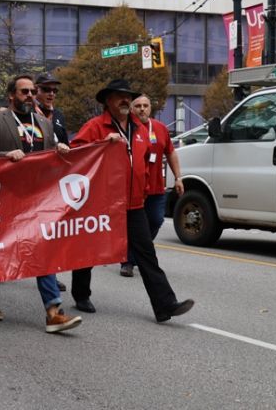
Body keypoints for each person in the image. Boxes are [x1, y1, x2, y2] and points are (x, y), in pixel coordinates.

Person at [69, 79, 194, 323]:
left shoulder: (139, 129)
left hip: (134, 204)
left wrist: (146, 187)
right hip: (103, 204)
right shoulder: (96, 126)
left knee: (147, 254)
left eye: (128, 96)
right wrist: (103, 144)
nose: (125, 100)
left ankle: (165, 305)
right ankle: (81, 294)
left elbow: (146, 161)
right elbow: (75, 154)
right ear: (107, 101)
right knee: (91, 250)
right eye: (119, 96)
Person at [0, 75, 82, 334]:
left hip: (36, 201)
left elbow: (49, 157)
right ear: (12, 95)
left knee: (42, 252)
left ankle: (53, 311)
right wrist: (4, 156)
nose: (31, 95)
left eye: (33, 91)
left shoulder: (45, 124)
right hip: (3, 200)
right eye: (25, 91)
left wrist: (61, 151)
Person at [121, 94, 185, 277]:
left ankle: (137, 253)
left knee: (156, 220)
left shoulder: (160, 128)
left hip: (156, 188)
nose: (142, 109)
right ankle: (128, 261)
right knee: (133, 226)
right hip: (134, 189)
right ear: (132, 109)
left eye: (145, 105)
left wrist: (178, 177)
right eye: (138, 105)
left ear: (150, 108)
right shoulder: (127, 129)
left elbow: (171, 153)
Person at [33, 72, 69, 292]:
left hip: (52, 184)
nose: (51, 94)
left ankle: (50, 276)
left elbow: (66, 145)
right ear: (36, 90)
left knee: (50, 233)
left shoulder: (59, 115)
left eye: (55, 90)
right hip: (29, 184)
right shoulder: (25, 114)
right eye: (46, 89)